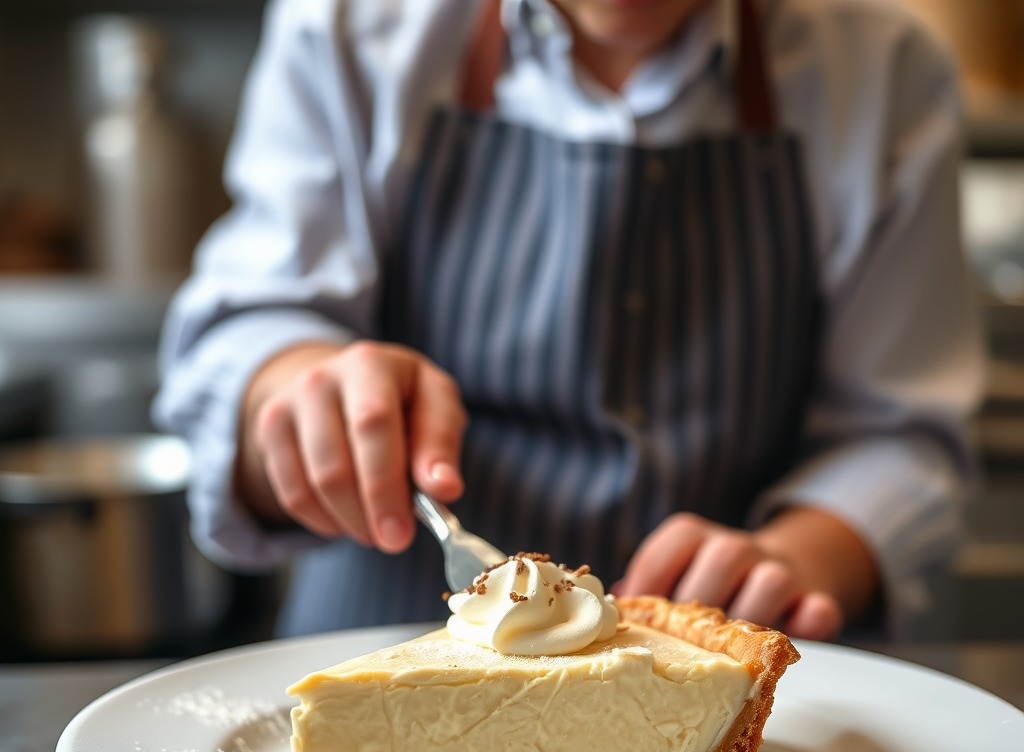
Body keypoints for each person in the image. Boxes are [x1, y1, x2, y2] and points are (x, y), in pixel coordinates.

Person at [155, 0, 984, 642]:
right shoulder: (355, 26)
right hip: (380, 641)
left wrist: (799, 555)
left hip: (712, 686)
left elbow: (900, 433)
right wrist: (301, 390)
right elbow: (251, 328)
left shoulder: (883, 68)